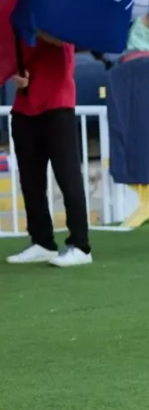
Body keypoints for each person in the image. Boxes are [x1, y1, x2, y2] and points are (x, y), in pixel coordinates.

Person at [5, 32, 93, 267]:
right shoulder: (21, 20)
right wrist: (16, 73)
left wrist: (33, 27)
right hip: (24, 105)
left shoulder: (53, 17)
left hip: (58, 105)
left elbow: (62, 38)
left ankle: (81, 246)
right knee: (30, 181)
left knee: (68, 176)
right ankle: (42, 242)